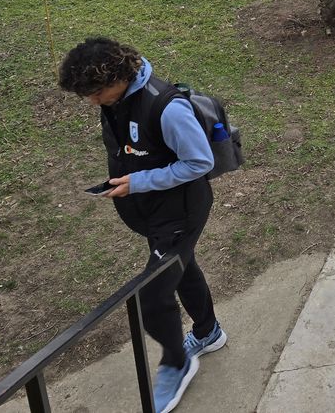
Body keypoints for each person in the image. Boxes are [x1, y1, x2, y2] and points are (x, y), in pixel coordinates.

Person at [58, 38, 226, 413]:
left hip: (180, 214)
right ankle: (208, 332)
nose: (92, 101)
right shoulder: (116, 98)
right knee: (183, 269)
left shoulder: (168, 108)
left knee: (152, 295)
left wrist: (137, 183)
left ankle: (176, 363)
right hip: (151, 212)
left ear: (121, 76)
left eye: (98, 92)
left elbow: (198, 163)